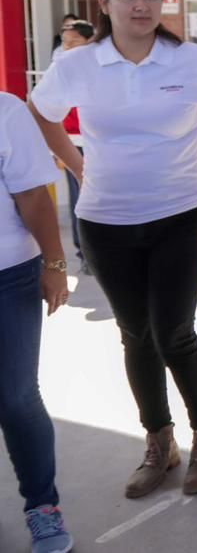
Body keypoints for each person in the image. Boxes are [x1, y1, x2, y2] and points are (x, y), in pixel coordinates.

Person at [27, 0, 197, 501]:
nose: (141, 5)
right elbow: (42, 111)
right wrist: (72, 162)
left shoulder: (186, 60)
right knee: (135, 334)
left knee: (174, 329)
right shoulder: (81, 65)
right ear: (105, 5)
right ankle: (159, 442)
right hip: (106, 221)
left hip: (181, 214)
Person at [0, 93, 74, 553]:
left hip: (8, 276)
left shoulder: (7, 111)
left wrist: (56, 264)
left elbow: (33, 197)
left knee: (16, 397)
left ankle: (43, 508)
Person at [53, 21, 94, 271]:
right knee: (78, 200)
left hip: (98, 145)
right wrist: (57, 152)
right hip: (73, 146)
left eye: (73, 42)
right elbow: (49, 115)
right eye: (64, 43)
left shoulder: (101, 69)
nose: (67, 48)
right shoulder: (61, 73)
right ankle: (85, 255)